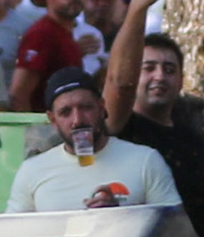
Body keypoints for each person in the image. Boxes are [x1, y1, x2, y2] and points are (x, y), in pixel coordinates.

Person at [99, 0, 204, 217]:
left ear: (181, 79)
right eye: (148, 68)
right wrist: (139, 7)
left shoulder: (192, 140)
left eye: (169, 70)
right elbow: (120, 83)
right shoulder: (120, 127)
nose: (159, 76)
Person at [12, 68, 183, 214]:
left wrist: (121, 214)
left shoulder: (145, 160)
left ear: (102, 108)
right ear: (53, 120)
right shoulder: (32, 171)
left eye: (86, 107)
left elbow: (174, 230)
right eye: (66, 112)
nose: (77, 120)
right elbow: (11, 234)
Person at [6, 0, 109, 107]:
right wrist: (32, 129)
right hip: (45, 126)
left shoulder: (63, 35)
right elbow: (18, 93)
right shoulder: (42, 34)